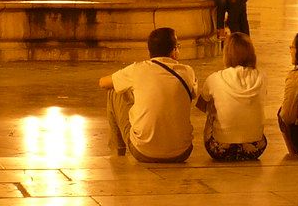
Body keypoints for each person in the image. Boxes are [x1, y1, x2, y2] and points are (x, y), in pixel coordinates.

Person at [98, 26, 197, 163]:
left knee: (115, 90)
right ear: (174, 51)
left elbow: (103, 83)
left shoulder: (137, 69)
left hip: (144, 151)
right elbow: (193, 94)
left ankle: (117, 153)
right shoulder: (188, 72)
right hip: (182, 151)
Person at [197, 33, 266, 161]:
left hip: (220, 149)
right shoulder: (261, 77)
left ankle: (225, 133)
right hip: (255, 148)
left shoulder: (215, 78)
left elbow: (201, 106)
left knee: (212, 105)